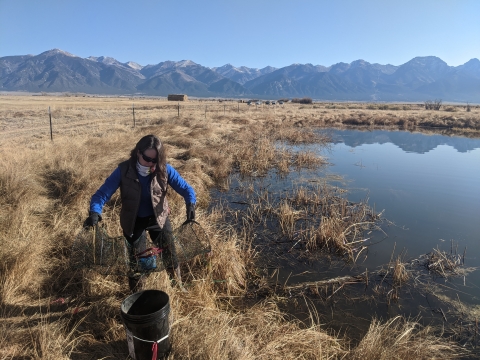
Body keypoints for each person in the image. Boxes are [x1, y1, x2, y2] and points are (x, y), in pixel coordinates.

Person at [83, 134, 196, 292]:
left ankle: (177, 286)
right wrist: (95, 212)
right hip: (133, 221)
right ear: (138, 152)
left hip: (159, 218)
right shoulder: (123, 170)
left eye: (155, 160)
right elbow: (101, 195)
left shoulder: (164, 169)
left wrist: (190, 204)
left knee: (170, 254)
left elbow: (186, 188)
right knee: (137, 261)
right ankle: (137, 294)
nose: (150, 164)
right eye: (147, 158)